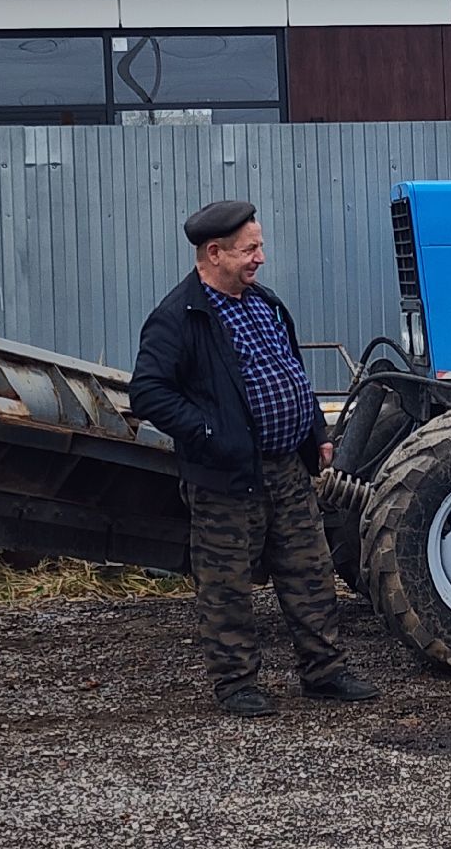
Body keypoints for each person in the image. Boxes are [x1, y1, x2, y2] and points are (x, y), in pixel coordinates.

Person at [131, 200, 379, 717]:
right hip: (225, 478)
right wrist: (211, 433)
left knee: (310, 572)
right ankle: (236, 683)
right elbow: (149, 394)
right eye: (251, 249)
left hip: (287, 469)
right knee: (226, 586)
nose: (261, 257)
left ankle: (324, 672)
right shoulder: (178, 317)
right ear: (214, 253)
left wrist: (315, 432)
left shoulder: (263, 303)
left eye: (260, 246)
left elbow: (289, 374)